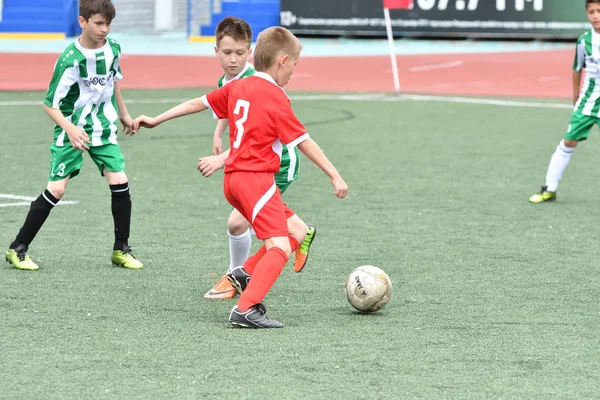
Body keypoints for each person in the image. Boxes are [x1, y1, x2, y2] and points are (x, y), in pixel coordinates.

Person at [132, 26, 348, 328]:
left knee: (296, 231)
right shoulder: (276, 96)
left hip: (233, 180)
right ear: (282, 61)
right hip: (255, 181)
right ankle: (246, 308)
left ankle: (244, 273)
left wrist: (156, 119)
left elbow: (199, 103)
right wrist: (334, 175)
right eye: (295, 65)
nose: (294, 73)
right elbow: (304, 142)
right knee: (280, 248)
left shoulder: (239, 86)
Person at [5, 0, 143, 270]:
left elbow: (113, 82)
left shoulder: (114, 49)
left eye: (108, 23)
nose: (105, 29)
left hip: (102, 128)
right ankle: (17, 248)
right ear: (83, 22)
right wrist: (69, 128)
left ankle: (121, 249)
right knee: (57, 188)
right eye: (99, 23)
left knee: (120, 181)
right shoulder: (70, 59)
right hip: (71, 128)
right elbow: (49, 104)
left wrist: (124, 114)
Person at [202, 16, 316, 300]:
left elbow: (254, 136)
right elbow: (232, 113)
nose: (233, 60)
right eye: (227, 53)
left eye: (240, 53)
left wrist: (223, 159)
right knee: (252, 225)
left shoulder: (257, 80)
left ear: (251, 52)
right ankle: (299, 233)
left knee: (238, 224)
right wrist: (218, 134)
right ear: (215, 51)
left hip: (278, 163)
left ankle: (236, 278)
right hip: (253, 162)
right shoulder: (229, 80)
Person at [530, 0, 600, 203]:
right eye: (591, 12)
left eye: (599, 11)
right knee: (568, 141)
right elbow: (577, 68)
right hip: (588, 101)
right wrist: (576, 94)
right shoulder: (584, 41)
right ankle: (549, 189)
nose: (596, 15)